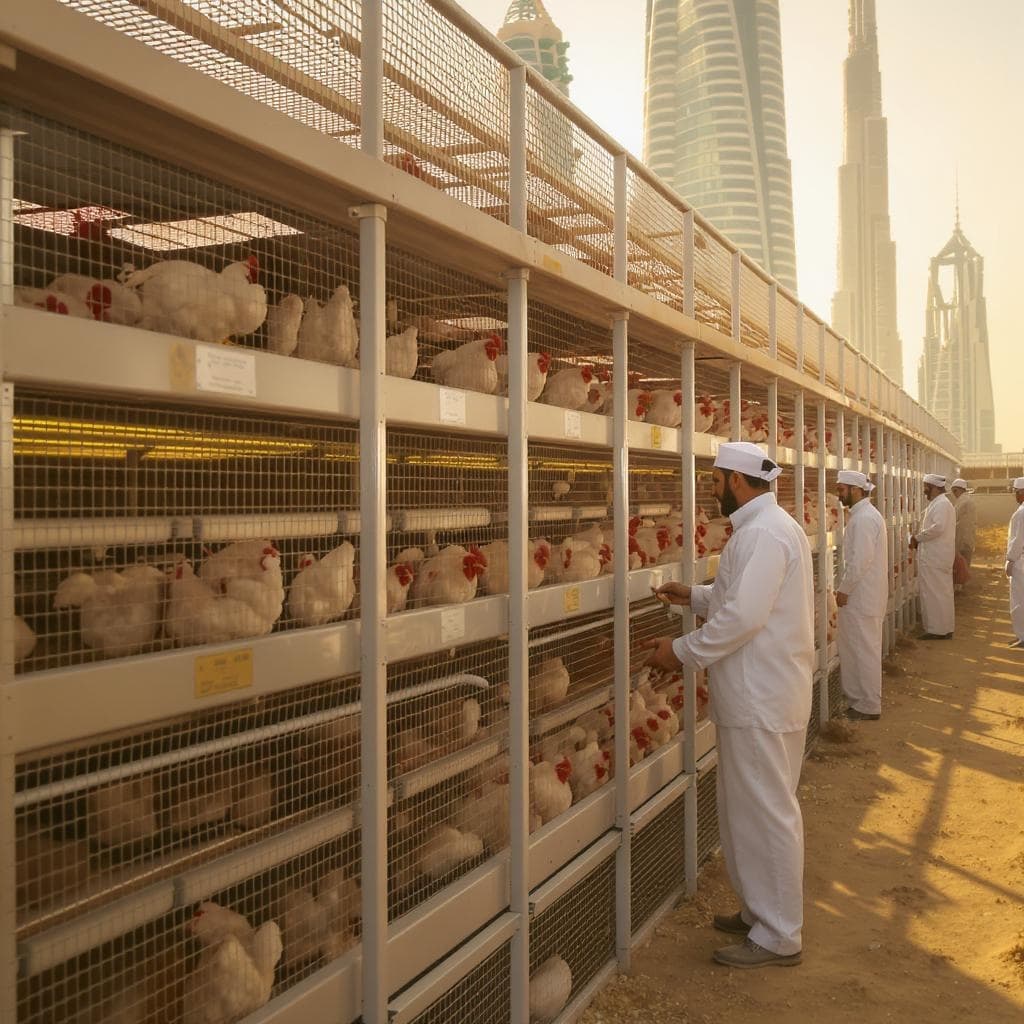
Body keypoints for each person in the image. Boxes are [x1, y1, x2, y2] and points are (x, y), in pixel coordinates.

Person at [643, 441, 813, 969]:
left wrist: (679, 652)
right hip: (758, 695)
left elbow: (742, 619)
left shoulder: (763, 534)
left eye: (715, 480)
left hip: (762, 696)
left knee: (766, 814)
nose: (712, 489)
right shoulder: (766, 529)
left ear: (737, 482)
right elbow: (739, 598)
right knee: (749, 811)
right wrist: (692, 595)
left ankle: (780, 934)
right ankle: (759, 912)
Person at [835, 470, 887, 721]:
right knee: (858, 648)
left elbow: (860, 561)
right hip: (864, 595)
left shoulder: (864, 519)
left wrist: (844, 589)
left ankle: (868, 704)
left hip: (861, 596)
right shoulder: (862, 516)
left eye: (842, 489)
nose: (839, 494)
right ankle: (860, 701)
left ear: (856, 490)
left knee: (864, 649)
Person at [910, 474, 956, 639]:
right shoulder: (939, 503)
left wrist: (917, 537)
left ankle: (936, 630)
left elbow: (938, 528)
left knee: (934, 594)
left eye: (926, 487)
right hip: (937, 557)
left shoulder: (942, 504)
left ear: (935, 487)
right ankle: (945, 628)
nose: (924, 491)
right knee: (941, 593)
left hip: (935, 558)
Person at [1006, 476, 1024, 649]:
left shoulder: (1021, 513)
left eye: (1017, 492)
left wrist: (1010, 560)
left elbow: (1017, 541)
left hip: (1020, 563)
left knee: (1019, 601)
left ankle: (1022, 637)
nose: (1015, 496)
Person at [951, 477, 977, 576]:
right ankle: (960, 586)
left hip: (962, 539)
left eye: (954, 491)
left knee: (961, 565)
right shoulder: (966, 500)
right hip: (967, 538)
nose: (954, 494)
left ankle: (959, 587)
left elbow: (961, 524)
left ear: (958, 489)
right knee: (964, 564)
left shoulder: (964, 502)